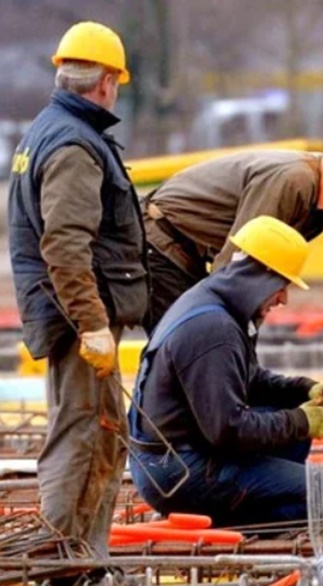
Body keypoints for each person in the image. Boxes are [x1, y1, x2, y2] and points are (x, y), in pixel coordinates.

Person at [7, 20, 148, 565]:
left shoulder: (53, 129)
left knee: (103, 434)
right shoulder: (73, 144)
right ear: (107, 81)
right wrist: (91, 323)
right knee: (82, 439)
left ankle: (81, 560)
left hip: (71, 313)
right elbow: (64, 245)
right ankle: (58, 563)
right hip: (76, 320)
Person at [128, 216, 323, 528]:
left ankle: (247, 499)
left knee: (295, 434)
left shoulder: (216, 304)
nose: (283, 299)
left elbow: (248, 380)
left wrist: (304, 390)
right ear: (262, 276)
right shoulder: (213, 329)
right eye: (282, 286)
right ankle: (221, 520)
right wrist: (299, 420)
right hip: (176, 473)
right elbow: (228, 430)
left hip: (173, 459)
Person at [142, 127, 323, 332]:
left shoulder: (321, 202)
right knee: (194, 344)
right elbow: (237, 262)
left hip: (186, 250)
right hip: (162, 241)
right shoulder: (295, 182)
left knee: (207, 345)